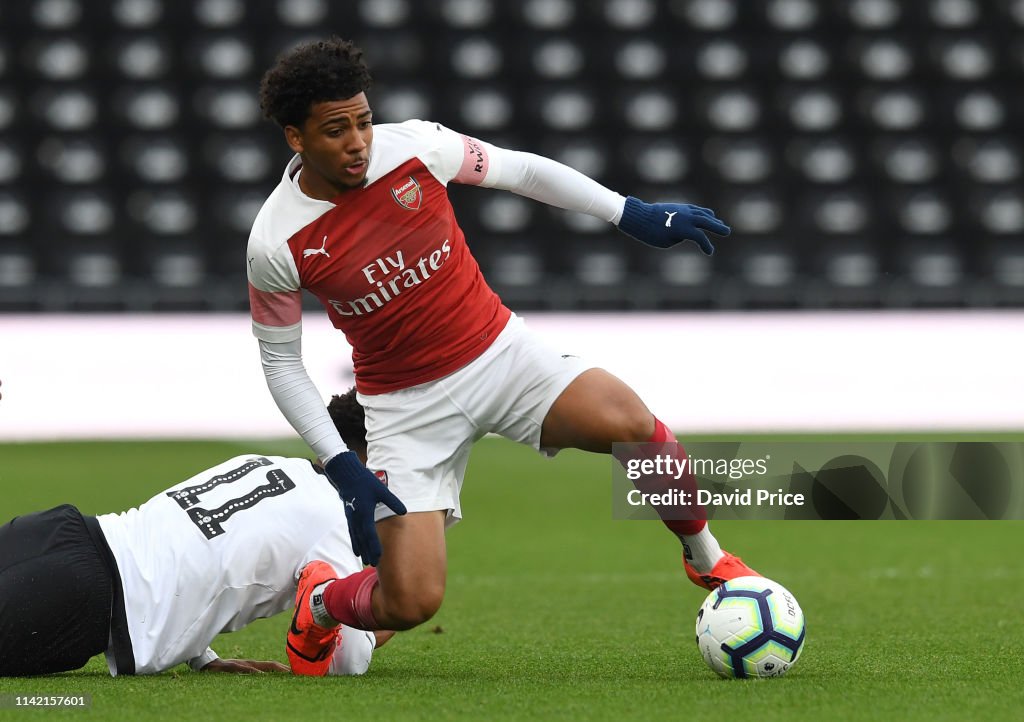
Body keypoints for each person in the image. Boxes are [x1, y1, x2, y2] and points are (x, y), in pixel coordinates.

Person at [247, 38, 757, 658]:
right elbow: (279, 363)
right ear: (296, 138)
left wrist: (630, 212)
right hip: (406, 410)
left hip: (500, 355)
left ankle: (708, 561)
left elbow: (524, 170)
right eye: (336, 131)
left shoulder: (417, 147)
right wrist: (339, 460)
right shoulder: (276, 241)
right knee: (411, 602)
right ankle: (321, 601)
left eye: (363, 121)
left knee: (632, 423)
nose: (358, 142)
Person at [0, 423, 393, 677]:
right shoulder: (333, 524)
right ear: (375, 467)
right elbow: (347, 661)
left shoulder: (262, 462)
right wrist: (399, 608)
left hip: (62, 531)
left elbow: (185, 543)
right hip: (82, 597)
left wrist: (201, 655)